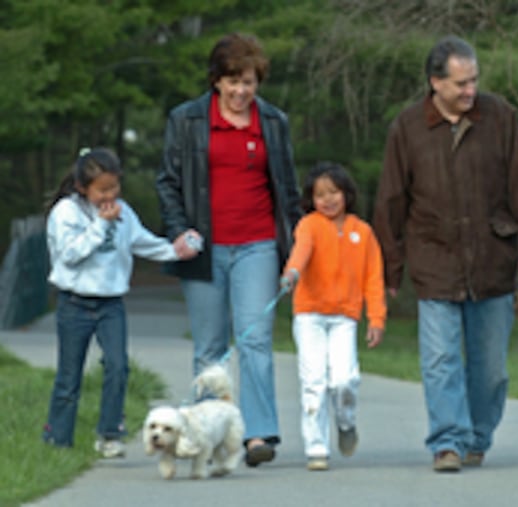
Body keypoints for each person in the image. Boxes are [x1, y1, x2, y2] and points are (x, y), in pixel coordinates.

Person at [373, 35, 518, 472]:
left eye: (474, 81)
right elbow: (391, 200)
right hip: (434, 260)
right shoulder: (407, 128)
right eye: (461, 83)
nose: (470, 91)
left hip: (492, 259)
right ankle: (446, 441)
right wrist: (389, 270)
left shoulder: (499, 117)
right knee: (441, 360)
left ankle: (477, 437)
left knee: (491, 371)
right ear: (435, 83)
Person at [155, 32, 302, 467]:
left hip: (257, 243)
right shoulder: (186, 120)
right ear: (216, 80)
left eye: (250, 82)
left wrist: (292, 252)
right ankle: (204, 434)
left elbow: (289, 193)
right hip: (204, 247)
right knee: (210, 346)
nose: (241, 91)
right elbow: (168, 183)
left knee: (255, 339)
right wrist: (179, 231)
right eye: (233, 81)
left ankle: (257, 434)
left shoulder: (273, 122)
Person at [42, 147, 198, 457]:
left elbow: (142, 242)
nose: (110, 194)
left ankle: (110, 433)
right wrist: (101, 225)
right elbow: (70, 255)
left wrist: (176, 250)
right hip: (74, 303)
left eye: (114, 186)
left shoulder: (123, 212)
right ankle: (57, 439)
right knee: (69, 377)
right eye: (102, 189)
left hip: (111, 304)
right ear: (82, 188)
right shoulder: (66, 213)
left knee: (118, 366)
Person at [280, 162, 386, 471]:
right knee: (313, 381)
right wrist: (292, 273)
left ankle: (346, 421)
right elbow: (301, 251)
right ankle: (316, 447)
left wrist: (376, 318)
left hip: (345, 317)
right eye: (320, 194)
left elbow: (373, 278)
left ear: (346, 194)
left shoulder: (363, 232)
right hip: (309, 314)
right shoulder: (309, 225)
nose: (327, 200)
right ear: (311, 199)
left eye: (333, 192)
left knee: (344, 380)